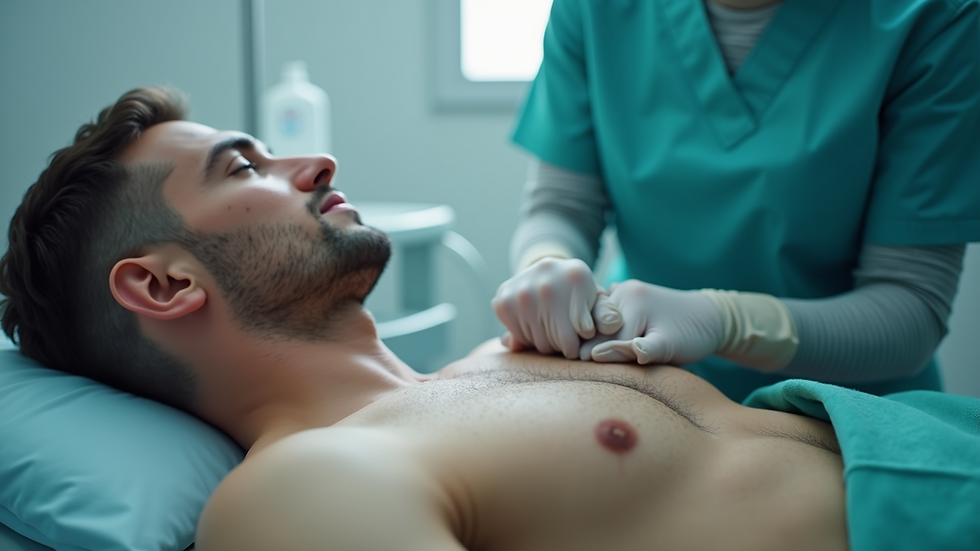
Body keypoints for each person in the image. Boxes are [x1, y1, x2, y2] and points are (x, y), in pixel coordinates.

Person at [1, 87, 978, 551]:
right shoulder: (300, 487)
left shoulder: (489, 360)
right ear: (164, 286)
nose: (316, 165)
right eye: (244, 168)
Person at [495, 0, 980, 402]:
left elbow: (912, 302)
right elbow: (561, 204)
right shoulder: (595, 10)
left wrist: (726, 321)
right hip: (642, 379)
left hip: (847, 415)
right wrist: (548, 266)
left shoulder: (934, 15)